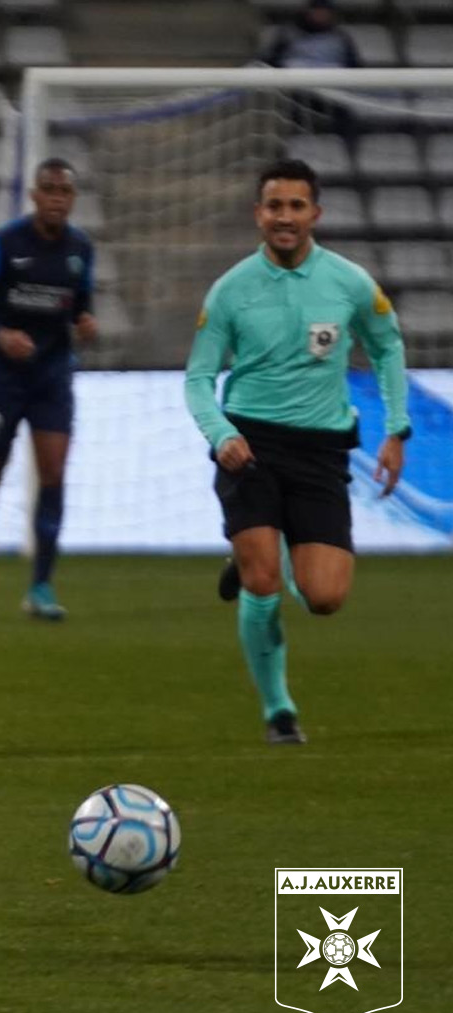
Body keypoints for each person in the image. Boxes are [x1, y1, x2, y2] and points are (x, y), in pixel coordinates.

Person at [185, 159, 409, 745]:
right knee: (263, 584)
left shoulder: (350, 283)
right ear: (259, 213)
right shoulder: (230, 291)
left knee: (325, 598)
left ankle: (259, 549)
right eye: (274, 206)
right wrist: (221, 435)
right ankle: (278, 709)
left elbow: (387, 347)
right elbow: (197, 378)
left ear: (316, 213)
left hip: (320, 452)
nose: (284, 217)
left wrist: (397, 429)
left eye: (296, 206)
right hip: (250, 447)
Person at [0, 158, 98, 622]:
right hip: (0, 377)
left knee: (53, 474)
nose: (57, 198)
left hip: (52, 375)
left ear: (72, 199)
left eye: (65, 191)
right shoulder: (5, 243)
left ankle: (40, 586)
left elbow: (80, 304)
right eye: (49, 190)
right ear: (35, 196)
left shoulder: (81, 248)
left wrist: (84, 320)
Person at [258, 0, 362, 70]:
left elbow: (354, 66)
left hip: (334, 92)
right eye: (316, 11)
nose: (320, 15)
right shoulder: (288, 35)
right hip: (294, 91)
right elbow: (271, 62)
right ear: (307, 12)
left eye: (324, 12)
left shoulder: (340, 38)